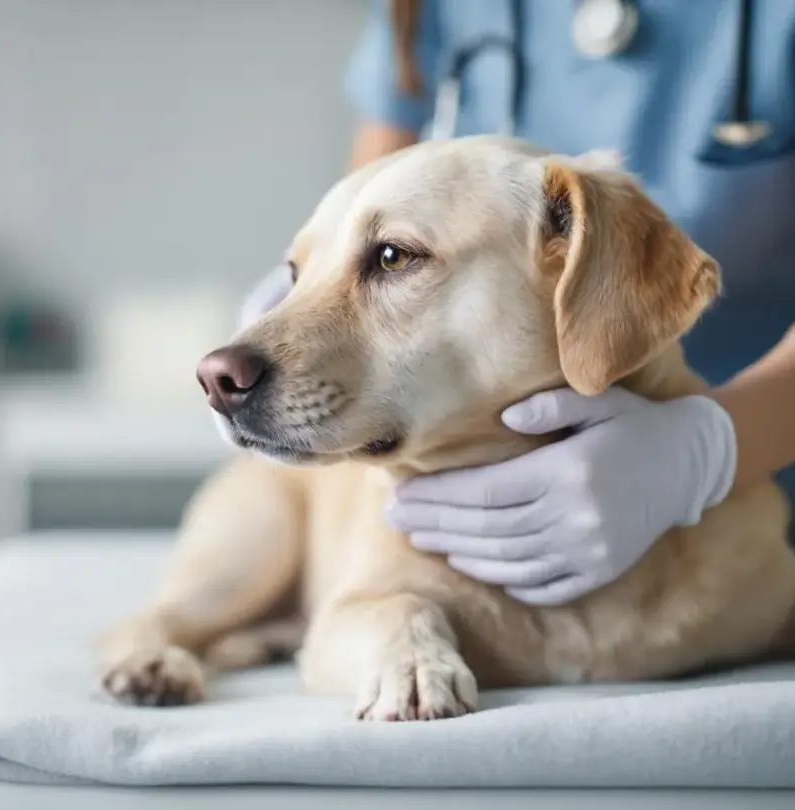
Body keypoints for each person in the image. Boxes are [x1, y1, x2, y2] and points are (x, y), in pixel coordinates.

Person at [239, 0, 795, 606]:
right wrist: (303, 296)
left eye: (397, 258)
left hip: (763, 509)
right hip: (462, 493)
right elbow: (372, 193)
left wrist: (705, 452)